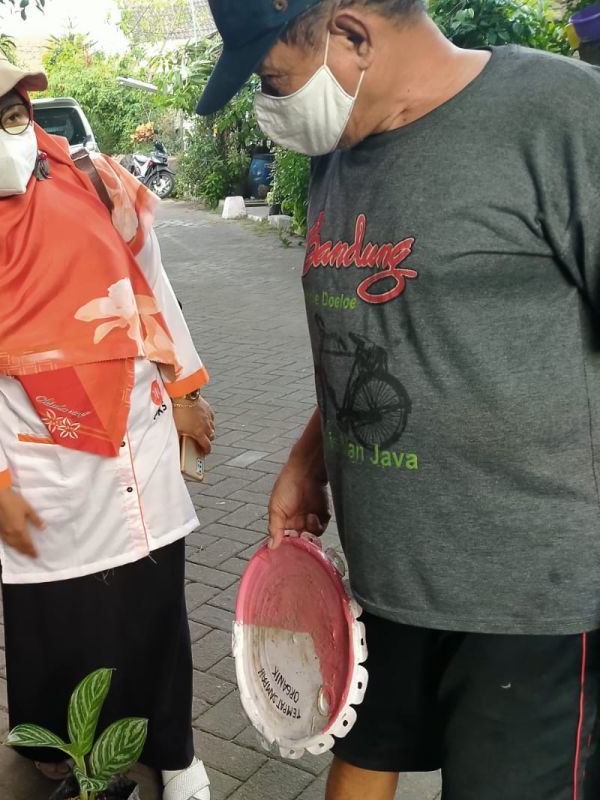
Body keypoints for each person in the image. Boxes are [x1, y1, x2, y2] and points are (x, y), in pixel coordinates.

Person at [196, 2, 600, 799]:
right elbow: (375, 337)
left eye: (274, 81)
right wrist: (306, 459)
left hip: (529, 603)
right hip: (385, 577)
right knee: (358, 771)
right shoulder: (339, 153)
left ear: (351, 34)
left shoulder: (557, 116)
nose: (269, 107)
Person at [0, 21, 215, 800]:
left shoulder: (93, 182)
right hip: (45, 464)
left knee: (154, 611)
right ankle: (81, 761)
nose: (3, 140)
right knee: (68, 627)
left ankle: (174, 753)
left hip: (134, 433)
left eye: (9, 116)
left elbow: (152, 285)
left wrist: (185, 388)